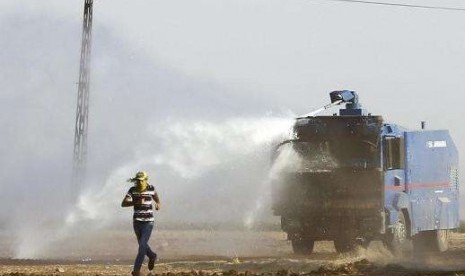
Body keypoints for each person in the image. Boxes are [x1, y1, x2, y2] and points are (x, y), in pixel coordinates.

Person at [121, 171, 161, 276]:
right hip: (137, 222)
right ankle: (152, 256)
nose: (140, 182)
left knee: (142, 246)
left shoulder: (151, 188)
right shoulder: (132, 190)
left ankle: (136, 271)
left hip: (148, 222)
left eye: (142, 180)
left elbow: (156, 198)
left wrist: (157, 204)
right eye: (138, 181)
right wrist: (135, 202)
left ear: (146, 180)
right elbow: (123, 203)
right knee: (142, 245)